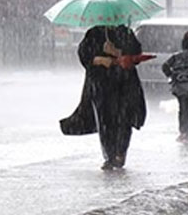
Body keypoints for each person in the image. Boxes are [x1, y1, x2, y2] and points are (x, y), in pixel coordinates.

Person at [60, 24, 147, 170]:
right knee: (105, 120)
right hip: (101, 85)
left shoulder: (125, 32)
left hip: (124, 84)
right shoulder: (93, 33)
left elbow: (136, 55)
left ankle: (120, 152)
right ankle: (110, 155)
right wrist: (100, 60)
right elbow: (84, 55)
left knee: (124, 119)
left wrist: (119, 53)